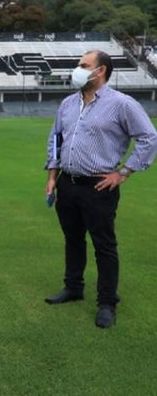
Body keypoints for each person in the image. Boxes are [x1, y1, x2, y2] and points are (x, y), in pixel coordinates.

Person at [44, 50, 157, 328]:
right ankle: (73, 287)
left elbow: (148, 138)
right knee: (73, 239)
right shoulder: (68, 103)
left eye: (84, 65)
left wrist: (124, 173)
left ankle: (107, 302)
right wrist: (52, 176)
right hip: (67, 184)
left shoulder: (122, 104)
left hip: (98, 187)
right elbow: (56, 139)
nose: (77, 69)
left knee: (104, 245)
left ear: (101, 70)